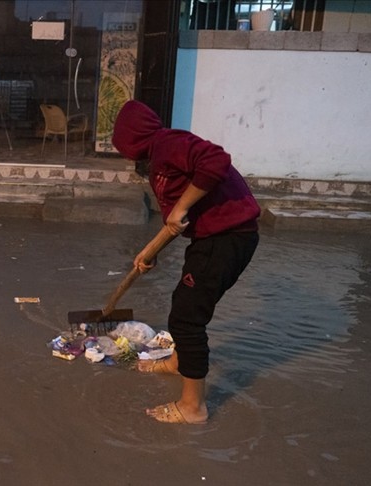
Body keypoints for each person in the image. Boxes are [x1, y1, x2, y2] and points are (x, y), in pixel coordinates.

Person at [111, 100, 260, 425]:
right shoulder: (159, 160)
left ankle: (193, 407)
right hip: (213, 239)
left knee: (187, 319)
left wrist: (181, 208)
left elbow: (216, 160)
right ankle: (180, 362)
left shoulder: (169, 143)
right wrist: (150, 251)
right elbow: (176, 222)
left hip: (227, 238)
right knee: (184, 304)